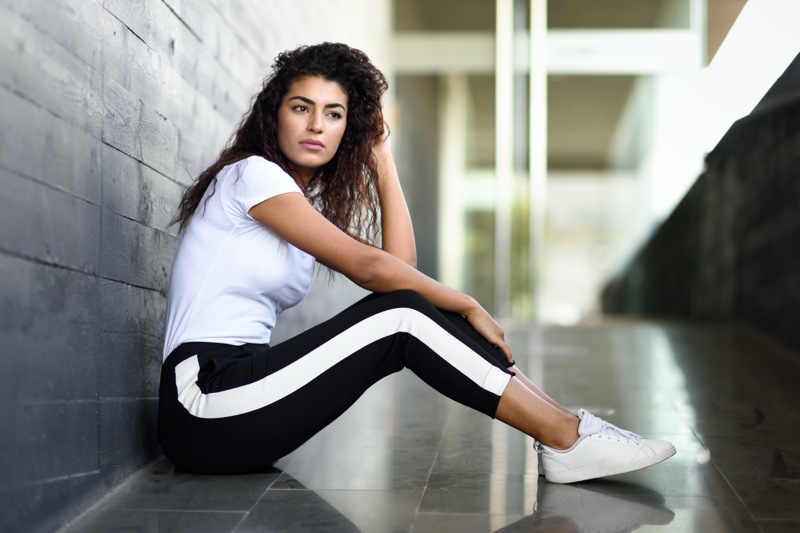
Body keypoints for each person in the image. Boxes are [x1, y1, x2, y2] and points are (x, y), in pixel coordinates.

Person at [158, 42, 675, 483]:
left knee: (404, 308)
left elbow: (398, 270)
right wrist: (468, 303)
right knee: (403, 314)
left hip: (241, 396)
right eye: (301, 107)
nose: (316, 124)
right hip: (204, 399)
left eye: (334, 114)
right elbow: (376, 272)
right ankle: (566, 437)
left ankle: (567, 430)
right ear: (275, 114)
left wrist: (382, 157)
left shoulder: (299, 203)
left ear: (348, 129)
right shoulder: (252, 176)